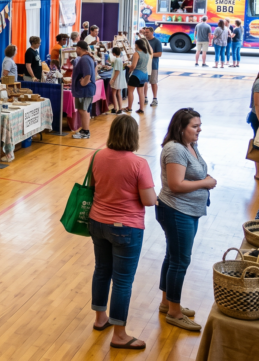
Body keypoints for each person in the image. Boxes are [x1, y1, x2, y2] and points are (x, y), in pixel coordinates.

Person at [87, 114, 156, 350]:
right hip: (126, 228)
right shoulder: (139, 164)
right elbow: (148, 200)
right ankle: (119, 334)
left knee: (102, 270)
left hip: (97, 222)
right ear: (134, 136)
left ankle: (100, 319)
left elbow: (94, 187)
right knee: (123, 282)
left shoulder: (97, 156)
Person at [156, 108, 216, 332]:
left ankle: (166, 302)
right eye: (194, 126)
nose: (199, 130)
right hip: (176, 211)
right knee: (180, 261)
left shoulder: (191, 146)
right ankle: (174, 312)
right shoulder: (175, 150)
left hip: (187, 211)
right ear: (181, 128)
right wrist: (205, 183)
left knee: (172, 257)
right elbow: (176, 184)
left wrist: (204, 179)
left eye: (200, 125)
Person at [71, 41, 96, 139]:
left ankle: (85, 132)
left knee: (83, 110)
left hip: (84, 90)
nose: (76, 50)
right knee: (84, 110)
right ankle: (84, 129)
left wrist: (82, 83)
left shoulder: (84, 59)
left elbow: (88, 75)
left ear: (79, 48)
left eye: (76, 48)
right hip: (85, 90)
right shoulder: (87, 58)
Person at [129, 39, 152, 113]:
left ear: (137, 45)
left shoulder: (136, 53)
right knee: (141, 92)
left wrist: (129, 68)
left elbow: (134, 65)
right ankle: (141, 109)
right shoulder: (146, 53)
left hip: (137, 74)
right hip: (145, 74)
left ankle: (129, 107)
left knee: (130, 91)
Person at [144, 28, 162, 106]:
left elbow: (159, 54)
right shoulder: (144, 41)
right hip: (144, 65)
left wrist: (150, 55)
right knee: (144, 82)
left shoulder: (157, 41)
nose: (145, 34)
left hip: (153, 65)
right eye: (145, 32)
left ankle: (155, 99)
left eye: (147, 32)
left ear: (152, 32)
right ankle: (144, 97)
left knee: (153, 82)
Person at [110, 47, 126, 114]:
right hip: (120, 78)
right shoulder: (120, 59)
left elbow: (117, 70)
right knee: (119, 93)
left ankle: (115, 108)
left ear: (114, 53)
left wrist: (113, 79)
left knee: (114, 93)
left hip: (116, 78)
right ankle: (120, 108)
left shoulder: (116, 60)